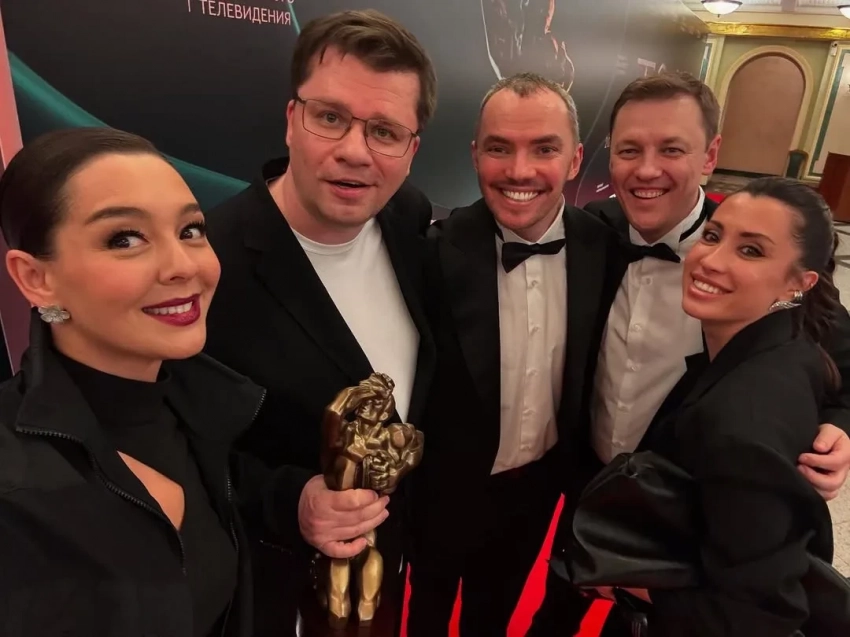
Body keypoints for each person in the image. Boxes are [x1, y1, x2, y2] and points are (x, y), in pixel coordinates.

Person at [530, 72, 850, 636]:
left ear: (711, 155)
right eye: (630, 150)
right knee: (557, 606)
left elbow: (838, 363)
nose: (647, 170)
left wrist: (840, 430)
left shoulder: (762, 263)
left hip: (689, 499)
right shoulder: (591, 232)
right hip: (590, 473)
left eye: (672, 150)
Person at [202, 9, 438, 636]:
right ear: (291, 120)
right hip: (263, 592)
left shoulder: (409, 220)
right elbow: (168, 447)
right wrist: (291, 500)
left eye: (384, 131)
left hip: (382, 579)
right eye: (330, 117)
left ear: (411, 152)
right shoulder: (208, 264)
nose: (354, 151)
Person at [0, 127, 263, 636]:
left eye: (190, 230)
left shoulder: (201, 416)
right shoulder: (14, 493)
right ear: (36, 278)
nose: (182, 266)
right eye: (125, 239)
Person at [406, 72, 622, 636]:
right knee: (425, 615)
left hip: (537, 491)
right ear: (475, 154)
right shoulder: (431, 250)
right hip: (442, 491)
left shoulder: (604, 246)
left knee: (494, 617)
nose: (519, 171)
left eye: (544, 149)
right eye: (499, 148)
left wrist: (834, 414)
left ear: (575, 160)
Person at [591, 177, 846, 635]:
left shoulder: (738, 426)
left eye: (751, 250)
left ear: (799, 283)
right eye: (712, 236)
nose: (711, 260)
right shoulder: (787, 344)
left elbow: (757, 614)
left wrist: (633, 585)